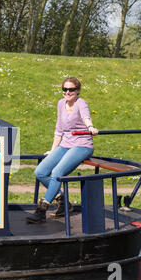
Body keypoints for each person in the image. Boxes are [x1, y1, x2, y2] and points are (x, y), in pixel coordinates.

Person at [27, 77, 98, 224]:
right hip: (65, 144)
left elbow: (86, 117)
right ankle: (63, 201)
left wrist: (90, 127)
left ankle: (42, 210)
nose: (67, 92)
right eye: (64, 89)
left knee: (57, 173)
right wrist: (53, 150)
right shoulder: (61, 103)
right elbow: (59, 129)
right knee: (40, 172)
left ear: (77, 91)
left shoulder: (81, 103)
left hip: (81, 145)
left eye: (71, 89)